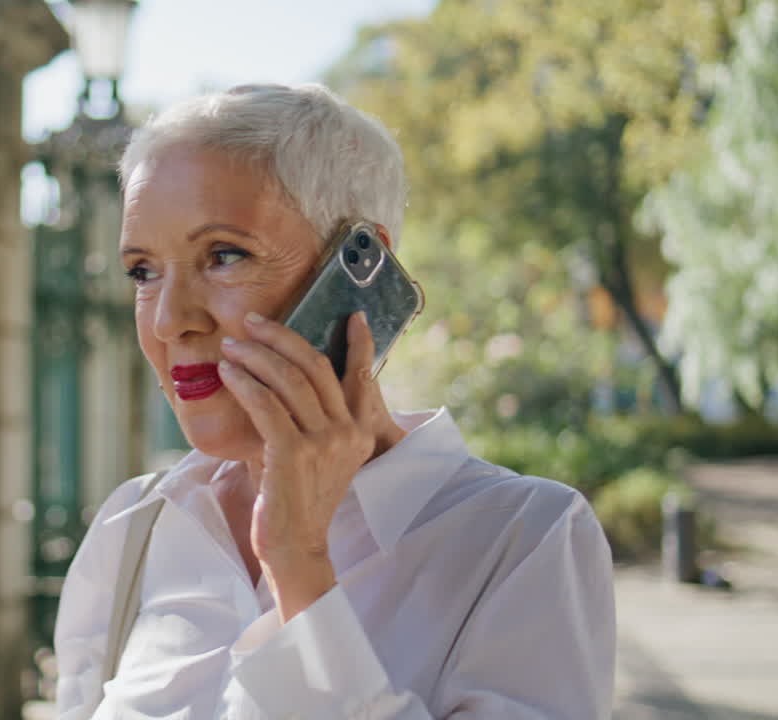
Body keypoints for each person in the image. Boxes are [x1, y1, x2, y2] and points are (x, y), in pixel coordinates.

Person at [53, 84, 615, 719]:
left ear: (361, 265)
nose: (168, 321)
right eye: (143, 271)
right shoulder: (133, 526)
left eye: (223, 255)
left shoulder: (524, 538)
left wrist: (301, 571)